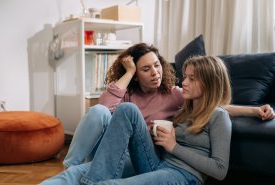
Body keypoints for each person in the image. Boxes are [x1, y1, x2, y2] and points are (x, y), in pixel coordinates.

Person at [63, 43, 275, 170]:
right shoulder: (127, 93)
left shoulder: (173, 94)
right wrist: (127, 72)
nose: (155, 72)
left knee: (87, 174)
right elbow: (103, 107)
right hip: (110, 148)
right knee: (98, 111)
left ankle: (79, 174)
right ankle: (69, 166)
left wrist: (255, 110)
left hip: (136, 155)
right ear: (136, 75)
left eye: (157, 65)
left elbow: (213, 106)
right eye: (145, 69)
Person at [43, 55, 233, 185]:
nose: (183, 83)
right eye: (185, 77)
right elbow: (108, 104)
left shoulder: (219, 116)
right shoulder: (185, 107)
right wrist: (155, 136)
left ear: (209, 83)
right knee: (127, 109)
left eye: (192, 79)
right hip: (158, 162)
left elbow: (220, 170)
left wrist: (173, 146)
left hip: (183, 175)